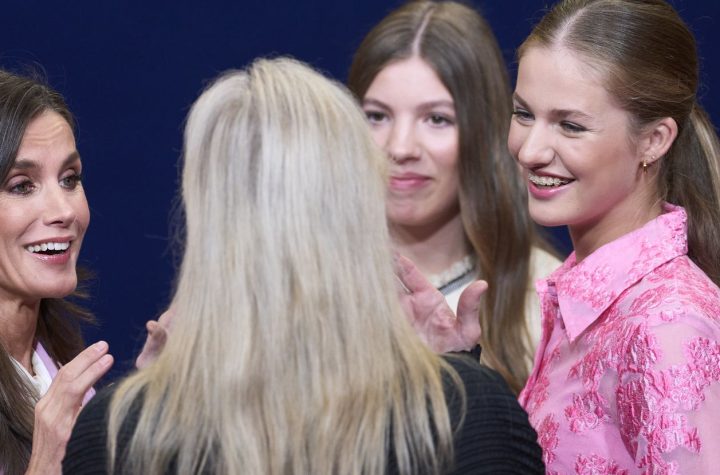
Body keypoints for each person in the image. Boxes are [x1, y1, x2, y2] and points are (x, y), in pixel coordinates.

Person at [63, 57, 543, 474]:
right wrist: (453, 379)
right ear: (356, 201)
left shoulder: (113, 434)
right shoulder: (470, 414)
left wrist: (145, 404)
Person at [509, 0, 720, 472]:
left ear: (654, 140)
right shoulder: (583, 296)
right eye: (523, 114)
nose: (530, 150)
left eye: (570, 125)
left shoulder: (668, 325)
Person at [347, 0, 561, 394]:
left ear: (483, 134)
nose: (401, 146)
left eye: (437, 119)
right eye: (377, 116)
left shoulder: (547, 298)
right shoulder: (304, 279)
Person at [0, 71, 113, 475]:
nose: (64, 211)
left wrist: (146, 413)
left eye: (69, 179)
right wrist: (45, 463)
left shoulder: (52, 359)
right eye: (21, 185)